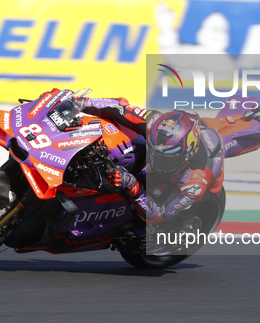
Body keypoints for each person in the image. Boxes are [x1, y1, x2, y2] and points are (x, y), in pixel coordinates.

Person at [81, 97, 224, 226]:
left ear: (189, 152)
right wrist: (79, 102)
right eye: (157, 154)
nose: (160, 163)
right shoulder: (154, 121)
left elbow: (157, 215)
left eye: (169, 159)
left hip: (180, 184)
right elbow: (120, 107)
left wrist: (133, 186)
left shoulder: (196, 180)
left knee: (155, 197)